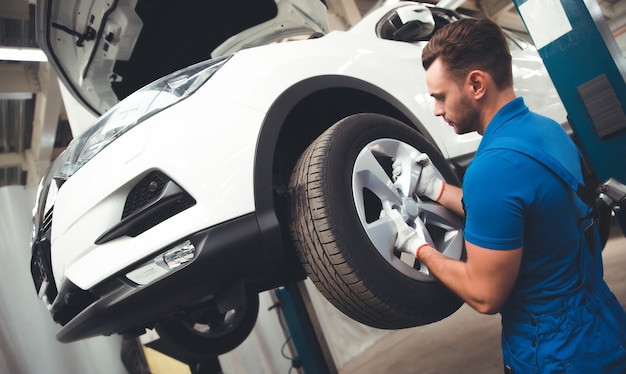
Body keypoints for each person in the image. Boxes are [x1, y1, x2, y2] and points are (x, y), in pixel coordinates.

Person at [390, 17, 626, 373]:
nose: (437, 110)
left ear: (475, 84)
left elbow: (486, 295)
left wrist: (418, 248)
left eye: (440, 96)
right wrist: (435, 190)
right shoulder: (548, 132)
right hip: (606, 326)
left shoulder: (490, 170)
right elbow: (520, 212)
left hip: (553, 354)